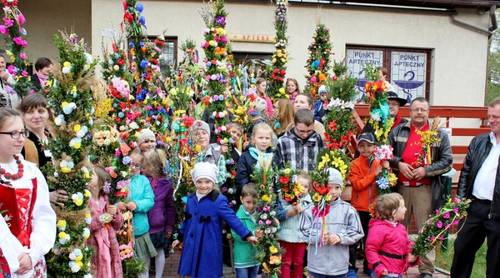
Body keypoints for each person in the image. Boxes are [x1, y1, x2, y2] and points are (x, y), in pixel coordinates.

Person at [388, 97, 452, 278]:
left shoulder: (438, 135)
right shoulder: (399, 130)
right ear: (410, 111)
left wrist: (426, 170)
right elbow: (386, 153)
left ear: (428, 112)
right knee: (398, 229)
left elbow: (447, 161)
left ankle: (426, 269)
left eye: (423, 110)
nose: (419, 113)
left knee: (426, 228)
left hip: (425, 188)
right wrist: (398, 164)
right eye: (416, 109)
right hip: (400, 188)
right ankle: (397, 265)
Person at [175, 162, 257, 278]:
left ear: (213, 182)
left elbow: (232, 219)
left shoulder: (218, 201)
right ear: (195, 182)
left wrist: (247, 234)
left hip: (208, 244)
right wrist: (180, 236)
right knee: (189, 272)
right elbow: (187, 220)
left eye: (207, 182)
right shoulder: (191, 199)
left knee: (206, 272)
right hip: (191, 244)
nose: (203, 186)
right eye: (199, 182)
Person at [0, 107, 56, 277]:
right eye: (13, 133)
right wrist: (15, 257)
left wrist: (33, 253)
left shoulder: (31, 172)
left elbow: (43, 214)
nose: (20, 139)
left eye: (23, 132)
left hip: (32, 259)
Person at [451, 97, 500, 278]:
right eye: (489, 116)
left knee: (495, 259)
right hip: (475, 207)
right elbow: (466, 172)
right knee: (462, 249)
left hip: (498, 212)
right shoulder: (479, 141)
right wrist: (461, 202)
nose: (491, 120)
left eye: (496, 117)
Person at [304, 168, 364, 278]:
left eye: (337, 187)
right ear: (321, 187)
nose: (334, 191)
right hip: (317, 266)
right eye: (330, 187)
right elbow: (302, 232)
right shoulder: (311, 209)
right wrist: (318, 236)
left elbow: (357, 231)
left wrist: (340, 237)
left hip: (339, 266)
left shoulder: (348, 210)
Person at [348, 132, 388, 275]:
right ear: (358, 148)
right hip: (358, 209)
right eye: (362, 146)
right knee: (354, 240)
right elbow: (358, 185)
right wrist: (373, 175)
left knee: (371, 241)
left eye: (369, 146)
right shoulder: (354, 164)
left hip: (375, 209)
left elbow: (385, 184)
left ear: (375, 147)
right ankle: (351, 268)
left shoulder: (380, 163)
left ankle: (369, 267)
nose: (365, 149)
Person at [120, 152, 156, 278]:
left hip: (139, 231)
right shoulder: (119, 180)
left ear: (141, 167)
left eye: (137, 165)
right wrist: (119, 205)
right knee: (125, 269)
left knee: (142, 267)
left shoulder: (143, 180)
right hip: (122, 233)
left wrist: (137, 204)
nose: (133, 167)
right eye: (130, 164)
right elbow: (112, 199)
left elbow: (150, 200)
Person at [365, 193, 418, 278]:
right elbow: (371, 250)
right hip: (385, 273)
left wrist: (411, 254)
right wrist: (378, 266)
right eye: (403, 207)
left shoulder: (401, 227)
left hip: (398, 271)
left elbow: (406, 244)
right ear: (393, 212)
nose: (406, 209)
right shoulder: (378, 229)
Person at [143, 149, 175, 278]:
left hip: (158, 226)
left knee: (159, 251)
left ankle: (159, 276)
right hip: (143, 225)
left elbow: (170, 207)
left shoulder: (166, 184)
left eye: (146, 165)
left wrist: (169, 226)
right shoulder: (142, 181)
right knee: (144, 254)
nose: (143, 167)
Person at [88, 166, 124, 278]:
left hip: (109, 244)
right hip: (94, 244)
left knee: (109, 268)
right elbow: (85, 225)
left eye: (91, 174)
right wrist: (101, 219)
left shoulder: (107, 199)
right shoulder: (85, 200)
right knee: (96, 270)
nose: (87, 176)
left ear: (100, 182)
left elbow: (118, 226)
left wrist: (115, 214)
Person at [278, 171, 313, 278]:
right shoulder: (284, 198)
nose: (302, 189)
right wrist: (291, 210)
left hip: (300, 238)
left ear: (309, 189)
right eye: (299, 185)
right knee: (286, 262)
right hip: (286, 236)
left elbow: (311, 219)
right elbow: (279, 215)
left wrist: (302, 210)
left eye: (306, 186)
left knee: (299, 262)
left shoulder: (309, 202)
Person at [236, 122, 277, 188]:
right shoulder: (245, 156)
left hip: (271, 195)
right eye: (260, 138)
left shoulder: (273, 156)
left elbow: (276, 176)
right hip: (251, 194)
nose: (264, 141)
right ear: (254, 139)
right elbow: (242, 179)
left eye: (267, 138)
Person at [232, 184, 259, 278]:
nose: (251, 206)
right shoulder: (237, 216)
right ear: (241, 199)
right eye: (248, 202)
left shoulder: (260, 215)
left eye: (254, 202)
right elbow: (235, 234)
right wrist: (252, 235)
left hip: (255, 257)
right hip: (242, 258)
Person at [190, 120, 229, 186]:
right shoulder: (189, 155)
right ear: (192, 137)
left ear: (209, 135)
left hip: (211, 192)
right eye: (197, 134)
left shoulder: (217, 155)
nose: (201, 136)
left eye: (204, 133)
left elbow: (222, 177)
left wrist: (205, 184)